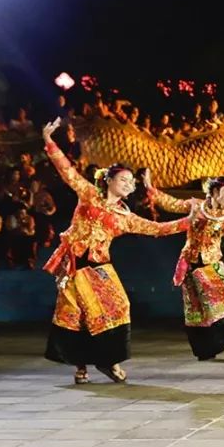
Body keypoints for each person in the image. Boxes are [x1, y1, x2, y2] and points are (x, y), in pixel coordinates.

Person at [41, 118, 191, 385]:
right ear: (108, 180)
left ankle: (107, 359)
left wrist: (189, 222)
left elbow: (156, 228)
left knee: (120, 304)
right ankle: (81, 367)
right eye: (122, 179)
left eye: (130, 181)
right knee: (78, 313)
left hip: (100, 264)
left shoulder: (125, 216)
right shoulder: (88, 195)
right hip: (74, 263)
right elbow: (68, 172)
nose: (127, 183)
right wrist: (49, 141)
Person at [144, 173, 224, 362]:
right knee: (197, 309)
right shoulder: (195, 205)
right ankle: (205, 348)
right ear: (213, 191)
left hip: (213, 263)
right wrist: (150, 188)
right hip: (191, 264)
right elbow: (171, 203)